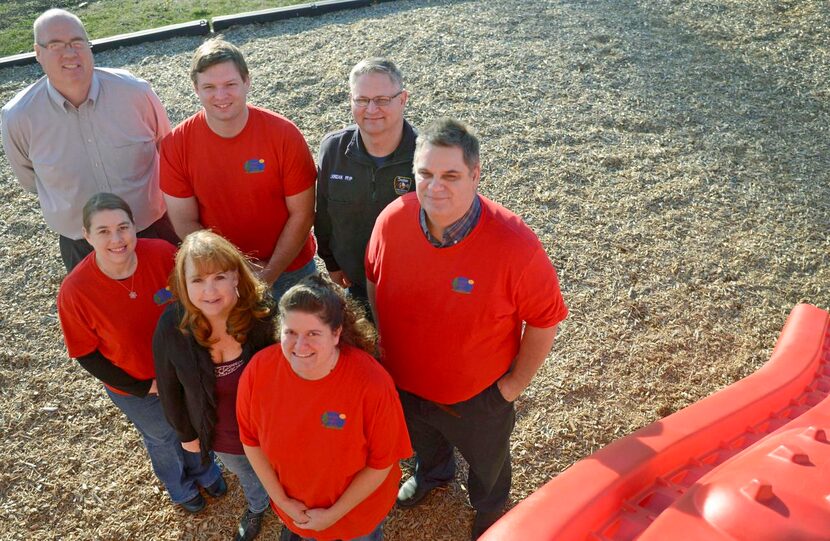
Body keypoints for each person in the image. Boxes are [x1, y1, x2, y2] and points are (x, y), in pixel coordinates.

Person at [364, 119, 569, 540]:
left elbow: (545, 319)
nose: (435, 186)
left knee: (488, 466)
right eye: (425, 174)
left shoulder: (515, 245)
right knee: (424, 441)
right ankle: (433, 475)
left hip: (479, 399)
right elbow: (373, 276)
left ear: (475, 175)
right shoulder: (391, 220)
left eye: (450, 175)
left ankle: (491, 511)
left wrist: (511, 387)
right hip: (406, 383)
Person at [56, 193, 224, 513]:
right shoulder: (75, 291)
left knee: (196, 420)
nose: (117, 239)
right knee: (162, 437)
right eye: (103, 231)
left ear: (136, 228)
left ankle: (205, 469)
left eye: (123, 227)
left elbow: (195, 299)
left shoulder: (162, 254)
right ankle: (180, 486)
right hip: (138, 386)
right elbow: (86, 354)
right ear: (87, 236)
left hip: (183, 369)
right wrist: (143, 386)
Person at [0, 9, 178, 272]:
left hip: (152, 227)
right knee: (102, 313)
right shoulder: (18, 116)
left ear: (89, 45)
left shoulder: (135, 93)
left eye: (76, 42)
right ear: (38, 53)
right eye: (56, 45)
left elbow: (167, 149)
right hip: (82, 244)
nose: (70, 53)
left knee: (176, 306)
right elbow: (31, 180)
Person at [237, 275, 411, 541]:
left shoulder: (372, 384)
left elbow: (382, 463)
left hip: (356, 517)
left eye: (313, 334)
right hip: (296, 511)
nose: (300, 346)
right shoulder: (258, 372)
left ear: (336, 333)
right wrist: (282, 501)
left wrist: (332, 515)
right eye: (290, 332)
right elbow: (250, 440)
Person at [160, 38, 317, 300]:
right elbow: (184, 221)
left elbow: (302, 214)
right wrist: (236, 269)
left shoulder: (284, 135)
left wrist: (267, 276)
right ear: (195, 88)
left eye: (230, 84)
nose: (220, 96)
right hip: (220, 275)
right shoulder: (176, 144)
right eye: (209, 87)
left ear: (247, 81)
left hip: (290, 268)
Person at [153, 230, 275, 540]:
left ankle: (290, 516)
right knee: (247, 474)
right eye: (197, 280)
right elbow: (169, 389)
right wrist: (186, 434)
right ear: (183, 283)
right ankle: (259, 504)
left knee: (283, 472)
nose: (209, 291)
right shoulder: (171, 327)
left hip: (270, 428)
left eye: (219, 276)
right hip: (220, 433)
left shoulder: (263, 315)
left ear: (236, 274)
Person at [314, 58, 415, 307]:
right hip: (357, 285)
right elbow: (323, 214)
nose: (371, 110)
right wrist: (331, 262)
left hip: (414, 288)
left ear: (402, 99)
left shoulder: (425, 156)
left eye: (382, 100)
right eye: (362, 100)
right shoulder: (333, 150)